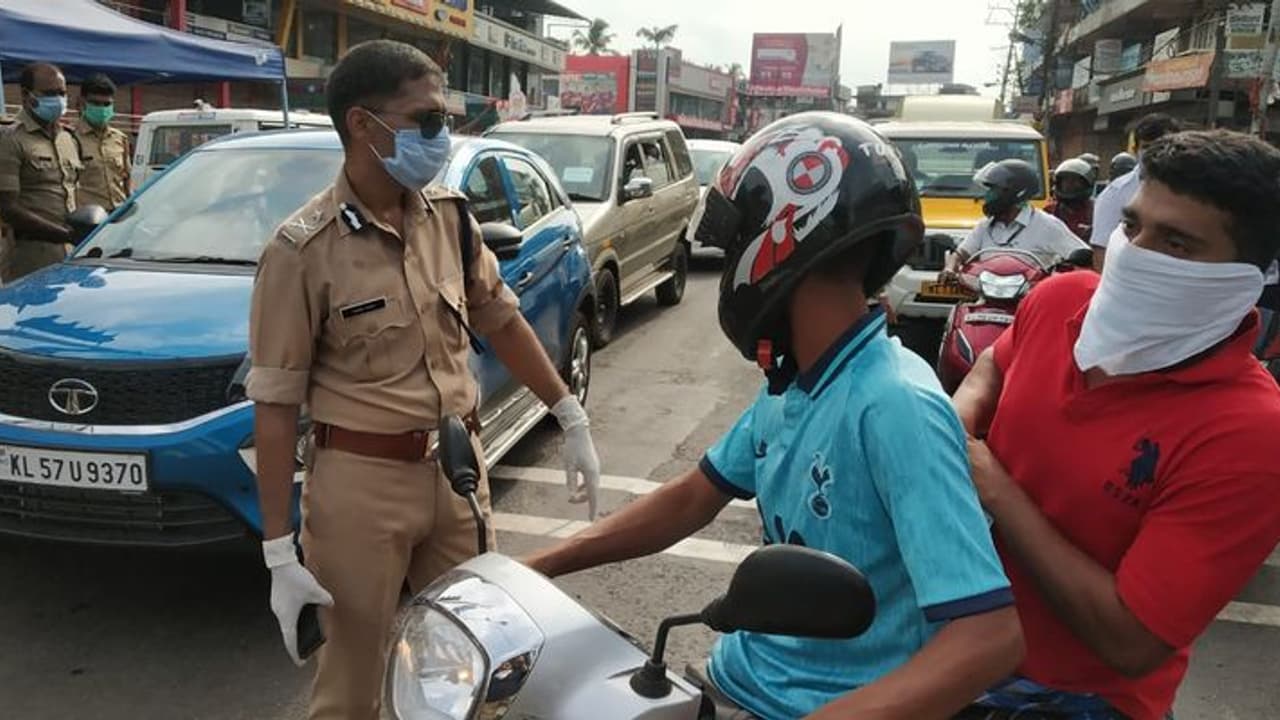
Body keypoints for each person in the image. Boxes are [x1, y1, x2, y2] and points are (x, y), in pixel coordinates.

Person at [524, 113, 1022, 720]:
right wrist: (538, 566)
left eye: (737, 242)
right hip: (735, 679)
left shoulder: (897, 407)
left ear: (787, 235)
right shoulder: (798, 382)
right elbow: (692, 498)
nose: (732, 259)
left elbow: (990, 638)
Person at [246, 40, 602, 720]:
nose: (443, 136)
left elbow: (501, 322)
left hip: (458, 474)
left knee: (472, 671)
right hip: (360, 487)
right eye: (427, 120)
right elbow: (275, 404)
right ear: (362, 124)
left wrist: (569, 413)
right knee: (351, 686)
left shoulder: (450, 218)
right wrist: (277, 551)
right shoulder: (300, 253)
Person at [951, 129, 1280, 720]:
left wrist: (990, 482)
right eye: (1132, 227)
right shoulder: (1061, 299)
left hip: (1075, 700)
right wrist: (958, 417)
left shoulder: (1252, 433)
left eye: (1176, 243)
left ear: (1245, 273)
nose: (1135, 254)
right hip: (947, 656)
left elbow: (1130, 641)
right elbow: (990, 367)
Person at [0, 62, 81, 283]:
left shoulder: (68, 138)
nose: (58, 100)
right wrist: (65, 234)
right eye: (49, 94)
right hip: (31, 256)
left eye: (62, 93)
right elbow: (8, 207)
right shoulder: (10, 140)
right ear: (27, 96)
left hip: (71, 253)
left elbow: (74, 192)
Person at [942, 159, 1086, 279]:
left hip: (1030, 300)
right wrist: (950, 269)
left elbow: (1082, 255)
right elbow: (961, 254)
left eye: (994, 190)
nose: (988, 197)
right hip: (985, 297)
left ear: (1015, 193)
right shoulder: (985, 226)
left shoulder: (1047, 225)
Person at [1089, 114, 1181, 271]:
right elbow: (1101, 254)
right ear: (1136, 150)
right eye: (1147, 147)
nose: (1155, 153)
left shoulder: (1198, 191)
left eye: (1163, 146)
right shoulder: (1115, 194)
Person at [73, 73, 132, 212]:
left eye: (107, 104)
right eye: (96, 103)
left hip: (118, 215)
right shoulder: (69, 139)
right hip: (88, 220)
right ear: (82, 103)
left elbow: (126, 179)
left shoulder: (120, 138)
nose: (102, 109)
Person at [1044, 158, 1094, 241]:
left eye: (1074, 181)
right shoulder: (1050, 210)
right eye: (1065, 181)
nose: (1069, 185)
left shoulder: (1095, 210)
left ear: (1086, 183)